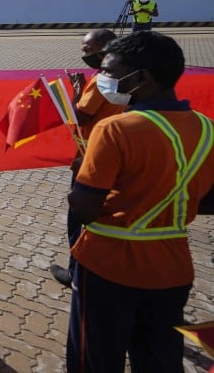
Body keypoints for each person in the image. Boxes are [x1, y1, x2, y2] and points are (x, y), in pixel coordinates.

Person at [66, 31, 214, 372]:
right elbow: (207, 200)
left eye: (110, 72)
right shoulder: (207, 129)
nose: (103, 80)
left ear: (141, 77)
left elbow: (85, 209)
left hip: (109, 265)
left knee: (95, 359)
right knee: (159, 360)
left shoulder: (116, 129)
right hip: (172, 269)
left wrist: (80, 182)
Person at [49, 28, 122, 288]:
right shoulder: (125, 78)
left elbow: (80, 116)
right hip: (116, 158)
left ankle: (76, 273)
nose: (83, 54)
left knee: (78, 217)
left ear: (104, 49)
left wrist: (76, 93)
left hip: (90, 158)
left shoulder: (101, 80)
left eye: (87, 50)